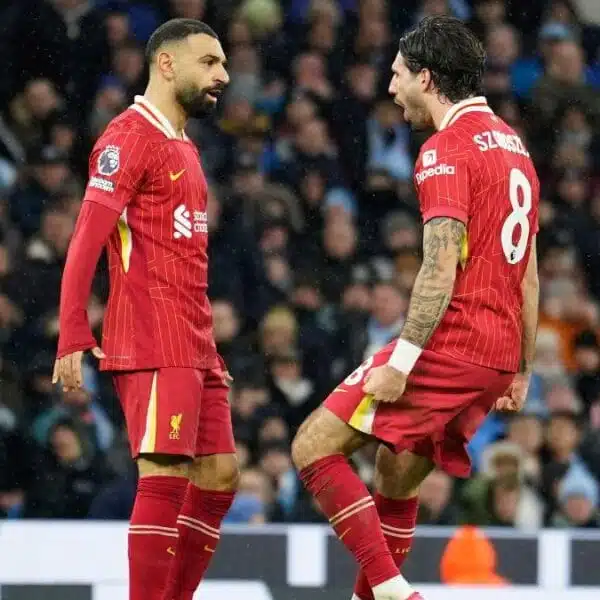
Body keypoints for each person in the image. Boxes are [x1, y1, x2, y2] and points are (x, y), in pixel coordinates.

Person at [291, 15, 540, 600]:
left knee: (312, 446)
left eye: (398, 74)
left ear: (427, 78)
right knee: (396, 473)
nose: (391, 87)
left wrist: (401, 360)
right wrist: (522, 367)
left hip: (454, 342)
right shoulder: (516, 148)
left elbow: (438, 265)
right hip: (496, 353)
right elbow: (527, 272)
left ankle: (396, 591)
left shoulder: (444, 148)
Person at [53, 19, 238, 600]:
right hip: (154, 336)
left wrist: (207, 346)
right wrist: (72, 331)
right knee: (165, 475)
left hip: (194, 339)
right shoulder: (127, 139)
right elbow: (85, 239)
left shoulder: (183, 143)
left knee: (221, 477)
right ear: (166, 63)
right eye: (209, 62)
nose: (223, 75)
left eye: (222, 63)